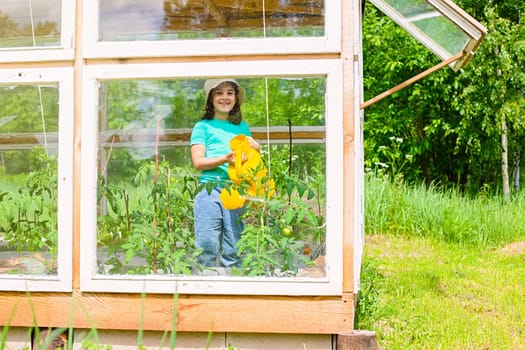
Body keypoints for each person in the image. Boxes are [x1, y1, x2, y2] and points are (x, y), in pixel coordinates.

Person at [190, 78, 260, 269]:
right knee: (206, 243)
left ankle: (233, 293)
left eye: (230, 93)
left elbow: (251, 162)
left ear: (236, 98)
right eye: (219, 93)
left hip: (237, 189)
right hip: (209, 189)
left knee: (234, 245)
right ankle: (202, 288)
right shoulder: (202, 127)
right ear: (211, 99)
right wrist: (224, 158)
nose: (225, 97)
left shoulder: (242, 128)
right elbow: (198, 162)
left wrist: (257, 149)